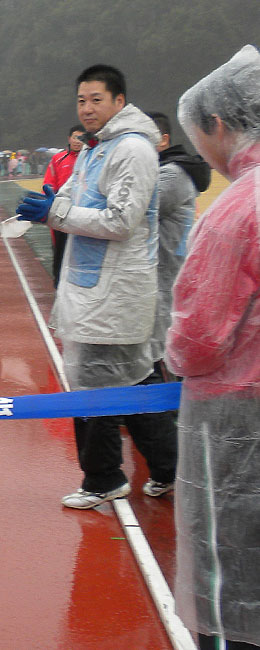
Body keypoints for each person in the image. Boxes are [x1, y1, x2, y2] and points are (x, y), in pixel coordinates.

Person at [16, 64, 176, 509]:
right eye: (81, 101)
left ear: (119, 102)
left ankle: (104, 477)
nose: (87, 109)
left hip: (116, 291)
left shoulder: (133, 151)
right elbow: (70, 196)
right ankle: (168, 466)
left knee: (96, 387)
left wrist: (56, 214)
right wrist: (51, 205)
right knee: (135, 381)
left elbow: (122, 220)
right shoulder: (94, 150)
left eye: (96, 100)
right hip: (92, 287)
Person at [167, 44, 260, 650]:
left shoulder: (236, 211)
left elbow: (198, 339)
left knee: (230, 561)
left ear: (218, 125)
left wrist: (175, 352)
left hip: (235, 417)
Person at [145, 111, 210, 367]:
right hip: (165, 272)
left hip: (166, 274)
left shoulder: (171, 175)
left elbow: (134, 214)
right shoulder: (164, 171)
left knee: (160, 350)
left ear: (163, 140)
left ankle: (168, 405)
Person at [43, 124, 86, 286]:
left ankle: (77, 284)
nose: (78, 141)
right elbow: (48, 183)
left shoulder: (89, 159)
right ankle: (59, 283)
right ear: (69, 139)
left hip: (82, 212)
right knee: (60, 250)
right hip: (61, 212)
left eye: (82, 138)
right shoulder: (58, 159)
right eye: (75, 137)